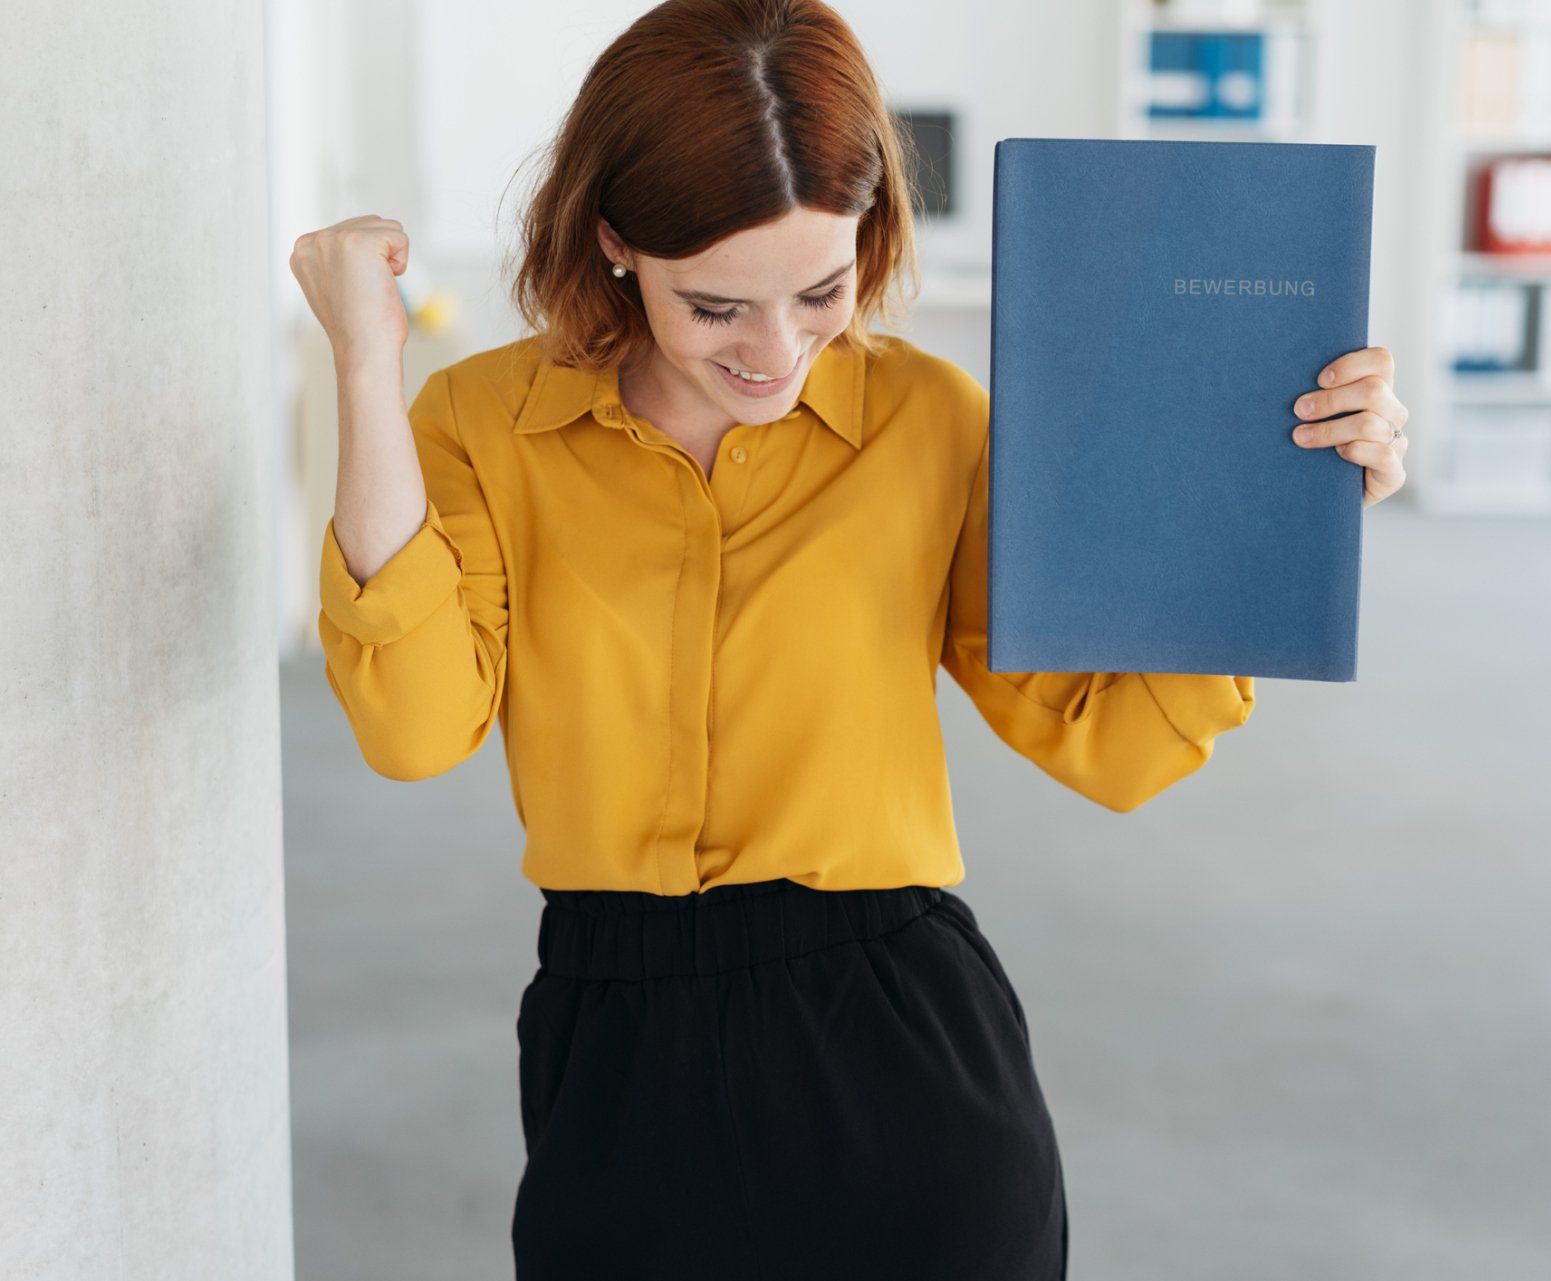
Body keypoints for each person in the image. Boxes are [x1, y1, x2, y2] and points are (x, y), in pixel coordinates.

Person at [287, 0, 1411, 1276]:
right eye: (715, 308)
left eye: (820, 292)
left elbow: (1110, 744)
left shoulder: (931, 421)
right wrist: (365, 373)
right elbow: (414, 726)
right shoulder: (477, 422)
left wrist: (1282, 509)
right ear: (614, 240)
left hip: (895, 1039)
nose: (776, 353)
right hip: (615, 1039)